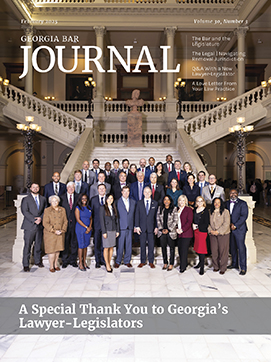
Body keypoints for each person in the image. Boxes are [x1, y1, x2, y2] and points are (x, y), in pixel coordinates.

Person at [21, 182, 47, 272]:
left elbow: (45, 210)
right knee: (27, 246)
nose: (35, 189)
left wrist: (41, 218)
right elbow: (25, 211)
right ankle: (25, 264)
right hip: (29, 226)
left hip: (39, 225)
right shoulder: (26, 199)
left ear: (39, 188)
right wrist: (34, 219)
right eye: (33, 187)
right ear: (31, 188)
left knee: (38, 245)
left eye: (37, 187)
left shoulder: (43, 199)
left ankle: (37, 261)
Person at [225, 188, 248, 275]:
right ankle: (234, 264)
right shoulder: (226, 203)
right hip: (229, 229)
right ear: (229, 194)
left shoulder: (242, 203)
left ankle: (243, 268)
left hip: (240, 229)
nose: (233, 194)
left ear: (237, 194)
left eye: (234, 193)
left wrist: (235, 225)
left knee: (241, 248)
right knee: (232, 247)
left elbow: (244, 216)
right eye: (231, 193)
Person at [135, 186, 158, 268]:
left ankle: (151, 261)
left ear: (151, 193)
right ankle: (142, 261)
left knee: (151, 245)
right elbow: (137, 215)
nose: (147, 193)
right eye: (145, 192)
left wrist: (156, 227)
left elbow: (156, 217)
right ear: (143, 193)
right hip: (142, 227)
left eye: (149, 192)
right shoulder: (139, 203)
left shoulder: (155, 203)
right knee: (142, 245)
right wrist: (137, 226)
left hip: (151, 228)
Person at [43, 195, 68, 272]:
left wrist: (63, 230)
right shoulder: (47, 210)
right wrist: (54, 230)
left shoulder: (62, 209)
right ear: (50, 202)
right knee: (51, 250)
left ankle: (56, 264)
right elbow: (45, 223)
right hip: (50, 234)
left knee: (58, 250)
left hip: (60, 233)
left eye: (56, 201)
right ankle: (51, 266)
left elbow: (65, 221)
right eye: (53, 201)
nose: (54, 202)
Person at [115, 186, 136, 268]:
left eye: (127, 191)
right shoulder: (117, 202)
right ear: (121, 192)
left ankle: (127, 261)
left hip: (130, 226)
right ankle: (118, 261)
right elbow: (116, 216)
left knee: (128, 245)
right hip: (121, 227)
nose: (126, 193)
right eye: (124, 191)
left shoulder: (133, 202)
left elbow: (134, 215)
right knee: (120, 245)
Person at [208, 197, 230, 275]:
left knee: (223, 251)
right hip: (212, 234)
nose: (216, 204)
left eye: (218, 202)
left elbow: (226, 224)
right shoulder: (210, 211)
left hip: (223, 234)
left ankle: (223, 267)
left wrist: (218, 231)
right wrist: (210, 230)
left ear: (221, 204)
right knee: (214, 251)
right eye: (215, 202)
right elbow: (208, 223)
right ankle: (216, 266)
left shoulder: (225, 212)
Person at [60, 182, 79, 268]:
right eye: (69, 187)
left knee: (74, 242)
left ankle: (73, 260)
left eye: (72, 187)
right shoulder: (62, 197)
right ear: (67, 188)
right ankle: (65, 260)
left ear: (74, 188)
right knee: (65, 242)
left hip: (75, 223)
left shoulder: (78, 197)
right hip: (65, 224)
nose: (71, 189)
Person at [156, 195, 178, 271]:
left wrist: (169, 229)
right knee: (163, 248)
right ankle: (165, 262)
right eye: (165, 199)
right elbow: (158, 219)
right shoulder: (160, 208)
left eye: (168, 200)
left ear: (170, 201)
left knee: (172, 248)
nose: (166, 201)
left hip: (170, 232)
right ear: (163, 201)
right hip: (162, 232)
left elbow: (175, 220)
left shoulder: (174, 209)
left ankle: (171, 263)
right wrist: (161, 229)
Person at [100, 194, 120, 272]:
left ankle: (109, 261)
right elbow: (101, 221)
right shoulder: (102, 208)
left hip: (113, 230)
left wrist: (117, 230)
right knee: (106, 247)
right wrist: (104, 231)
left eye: (111, 198)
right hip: (107, 231)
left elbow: (117, 220)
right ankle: (107, 264)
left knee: (111, 247)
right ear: (106, 199)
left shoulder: (114, 208)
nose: (110, 200)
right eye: (108, 198)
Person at [90, 184, 107, 268]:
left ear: (105, 190)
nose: (101, 190)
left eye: (103, 189)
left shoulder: (108, 199)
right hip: (96, 226)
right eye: (100, 189)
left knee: (104, 244)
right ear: (97, 190)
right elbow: (91, 214)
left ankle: (103, 260)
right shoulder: (93, 200)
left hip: (106, 226)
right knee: (97, 244)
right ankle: (97, 261)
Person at [75, 194, 92, 271]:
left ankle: (84, 262)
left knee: (85, 246)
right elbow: (78, 219)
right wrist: (86, 227)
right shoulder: (78, 208)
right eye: (82, 199)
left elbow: (91, 218)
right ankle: (80, 263)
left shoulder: (89, 208)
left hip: (88, 229)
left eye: (85, 198)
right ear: (80, 200)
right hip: (81, 228)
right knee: (81, 246)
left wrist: (90, 227)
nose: (84, 200)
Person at [177, 195, 194, 273]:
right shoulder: (176, 209)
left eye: (183, 200)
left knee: (184, 250)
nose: (181, 202)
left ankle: (182, 267)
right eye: (180, 200)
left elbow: (189, 222)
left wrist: (182, 230)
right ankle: (184, 263)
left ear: (186, 201)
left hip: (186, 233)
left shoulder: (188, 210)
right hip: (178, 233)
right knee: (180, 249)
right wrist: (176, 229)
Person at [193, 196, 209, 275]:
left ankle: (202, 267)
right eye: (198, 201)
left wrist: (198, 226)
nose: (199, 203)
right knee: (198, 248)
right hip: (196, 231)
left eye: (201, 201)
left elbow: (206, 223)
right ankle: (199, 263)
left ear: (203, 202)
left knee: (202, 249)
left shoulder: (205, 211)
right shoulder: (195, 210)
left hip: (202, 231)